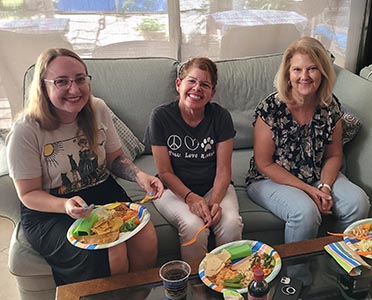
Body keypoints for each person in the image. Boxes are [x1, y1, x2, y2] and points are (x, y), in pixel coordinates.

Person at [6, 48, 164, 286]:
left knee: (145, 234)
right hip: (50, 208)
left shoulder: (98, 108)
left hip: (100, 191)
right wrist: (66, 205)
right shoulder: (26, 130)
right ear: (43, 86)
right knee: (112, 250)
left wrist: (139, 175)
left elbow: (115, 159)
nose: (74, 89)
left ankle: (135, 295)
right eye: (61, 81)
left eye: (80, 79)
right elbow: (28, 194)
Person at [246, 37, 370, 245]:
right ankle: (298, 277)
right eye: (297, 70)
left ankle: (338, 263)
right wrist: (309, 190)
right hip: (269, 179)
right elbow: (264, 163)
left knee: (358, 203)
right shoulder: (271, 108)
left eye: (312, 69)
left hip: (315, 174)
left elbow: (334, 155)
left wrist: (325, 187)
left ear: (322, 72)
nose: (304, 76)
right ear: (287, 74)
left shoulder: (330, 106)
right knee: (306, 213)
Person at [146, 57, 243, 261]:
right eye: (192, 81)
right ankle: (197, 290)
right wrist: (191, 198)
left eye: (205, 85)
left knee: (231, 223)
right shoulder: (160, 116)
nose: (197, 88)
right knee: (192, 226)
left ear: (212, 93)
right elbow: (164, 172)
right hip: (172, 189)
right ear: (179, 84)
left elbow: (224, 170)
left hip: (213, 187)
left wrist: (214, 202)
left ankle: (229, 286)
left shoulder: (221, 117)